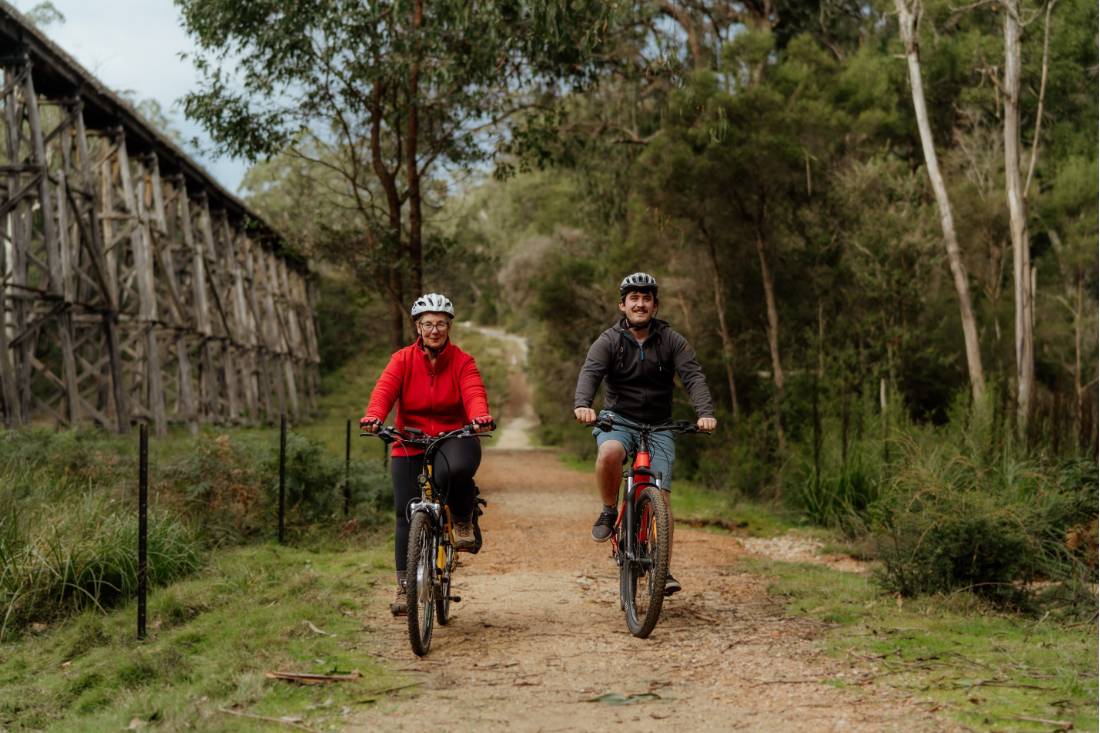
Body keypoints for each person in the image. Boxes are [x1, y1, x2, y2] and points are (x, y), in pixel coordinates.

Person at [573, 272, 717, 595]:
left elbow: (693, 376)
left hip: (659, 425)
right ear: (622, 305)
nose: (640, 303)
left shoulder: (671, 340)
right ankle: (609, 509)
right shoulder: (608, 341)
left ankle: (661, 567)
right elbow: (590, 373)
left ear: (655, 305)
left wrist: (705, 413)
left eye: (646, 298)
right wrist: (583, 404)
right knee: (609, 453)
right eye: (633, 298)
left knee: (661, 501)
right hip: (618, 420)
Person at [361, 293, 494, 617]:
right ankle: (405, 588)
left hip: (454, 435)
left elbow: (473, 391)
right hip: (409, 438)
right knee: (405, 512)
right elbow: (384, 390)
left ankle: (462, 517)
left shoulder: (463, 361)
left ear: (449, 327)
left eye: (440, 324)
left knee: (457, 470)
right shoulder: (402, 360)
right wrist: (374, 416)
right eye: (427, 324)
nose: (434, 330)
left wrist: (479, 416)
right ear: (418, 328)